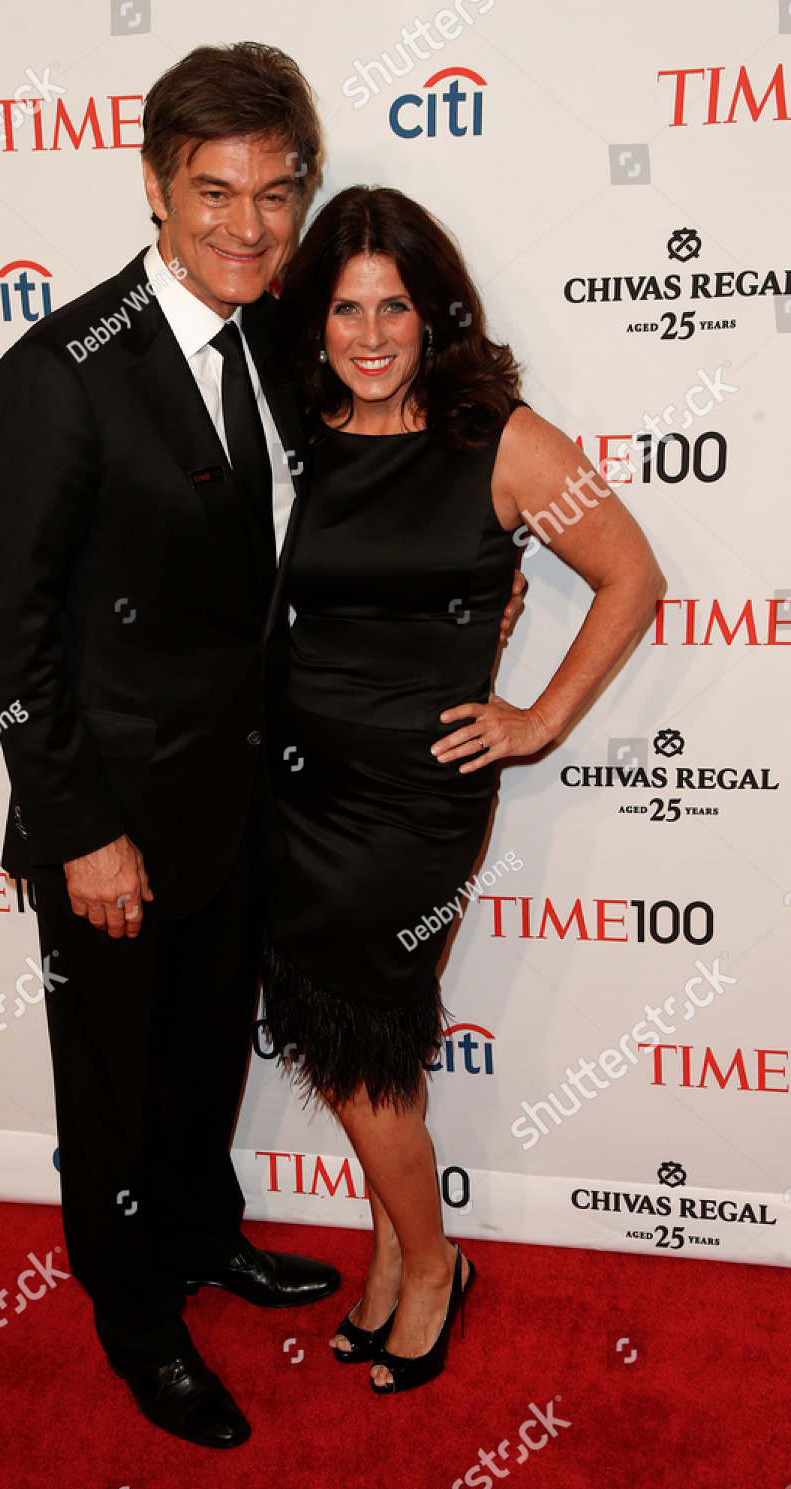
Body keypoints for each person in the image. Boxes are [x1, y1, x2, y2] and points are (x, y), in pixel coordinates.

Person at [0, 43, 346, 1452]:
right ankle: (134, 1319)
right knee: (115, 1097)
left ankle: (202, 1241)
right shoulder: (60, 375)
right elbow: (14, 634)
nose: (247, 226)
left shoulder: (265, 345)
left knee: (200, 1066)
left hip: (234, 802)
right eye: (214, 193)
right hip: (111, 823)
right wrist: (77, 826)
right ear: (152, 188)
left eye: (274, 194)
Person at [262, 186, 664, 1395]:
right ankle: (389, 1249)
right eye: (344, 307)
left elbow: (630, 575)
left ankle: (431, 1266)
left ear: (433, 316)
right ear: (314, 319)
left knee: (355, 1049)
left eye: (393, 307)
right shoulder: (295, 425)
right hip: (287, 785)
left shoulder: (500, 437)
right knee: (370, 1045)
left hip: (409, 805)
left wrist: (535, 719)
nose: (369, 334)